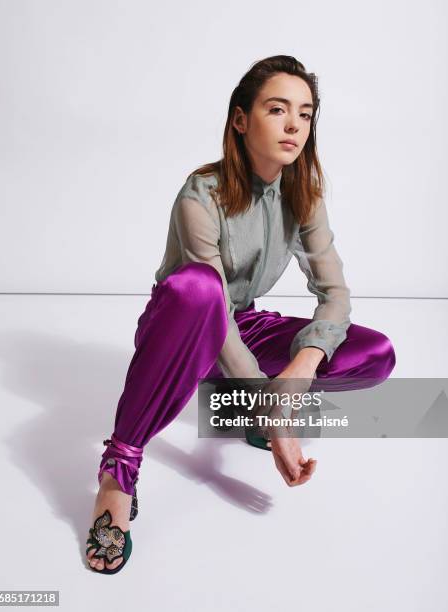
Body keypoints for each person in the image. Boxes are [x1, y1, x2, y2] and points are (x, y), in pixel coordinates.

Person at [85, 55, 396, 574]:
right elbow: (205, 302)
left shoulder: (304, 194)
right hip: (183, 328)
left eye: (306, 113)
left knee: (375, 353)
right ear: (240, 119)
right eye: (278, 109)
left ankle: (248, 402)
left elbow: (335, 294)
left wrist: (299, 370)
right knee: (200, 288)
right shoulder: (199, 196)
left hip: (243, 327)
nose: (295, 124)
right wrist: (270, 408)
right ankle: (118, 476)